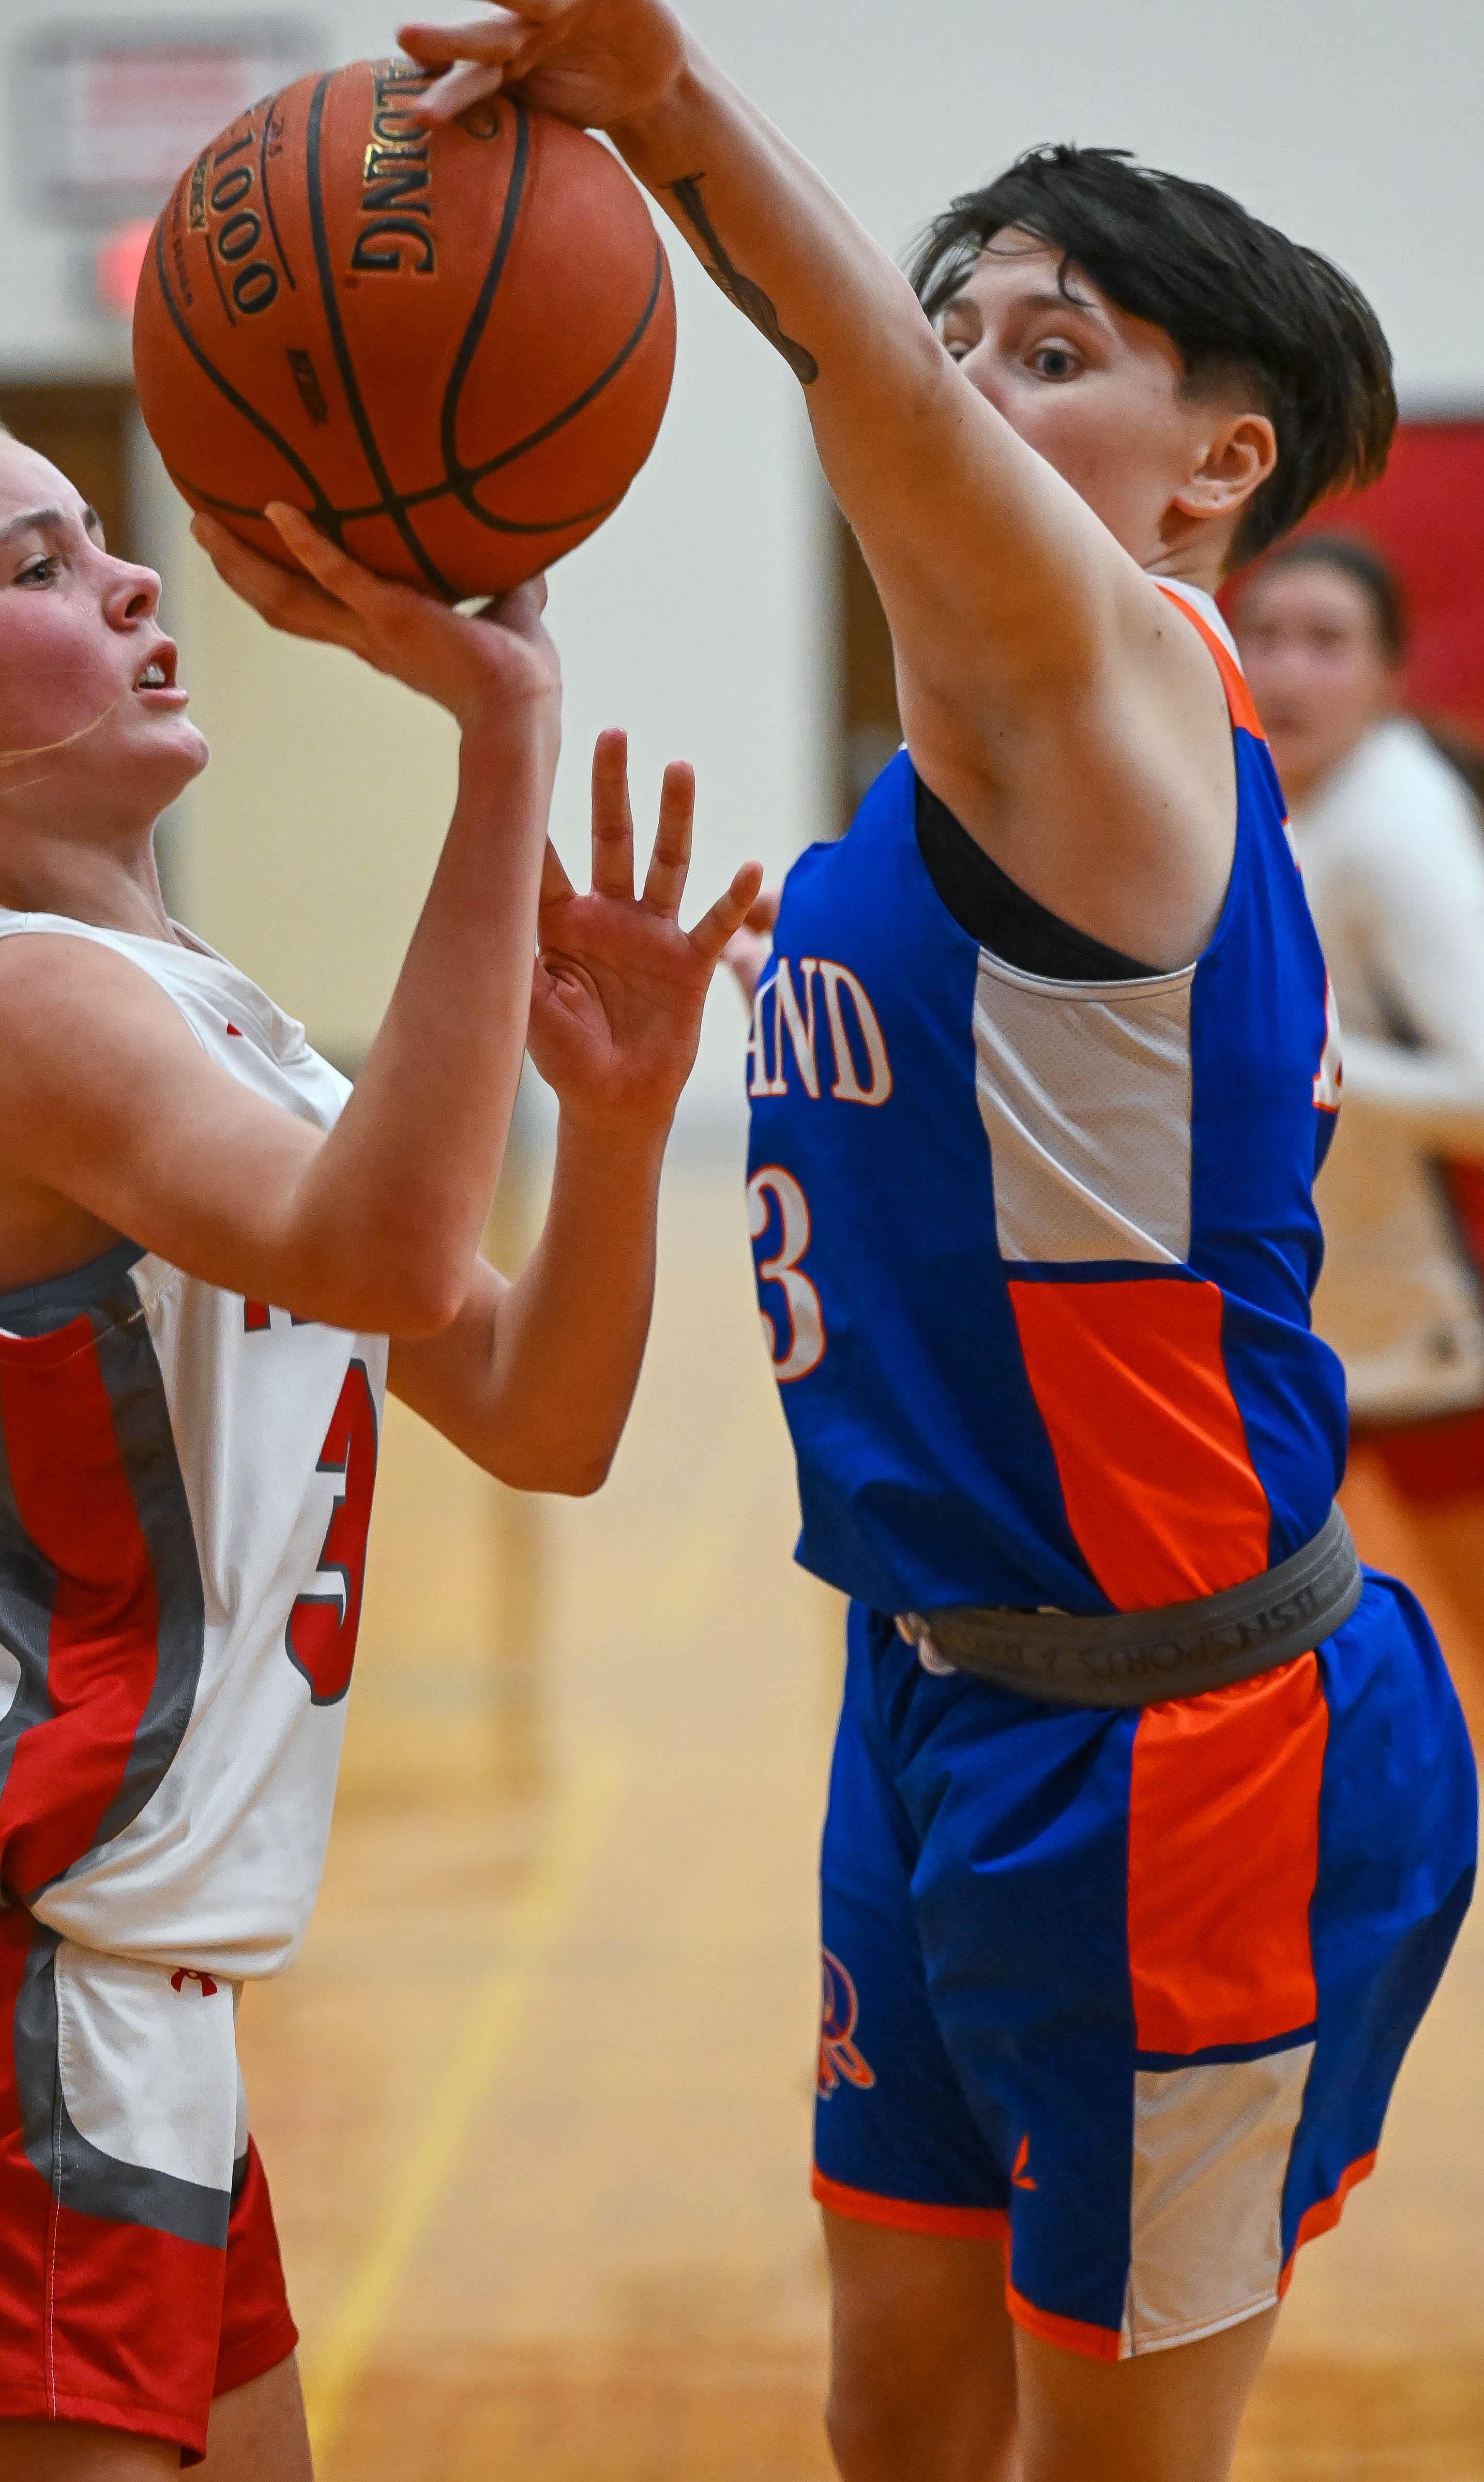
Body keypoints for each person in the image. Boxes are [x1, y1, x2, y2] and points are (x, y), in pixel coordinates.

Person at [396, 11, 1477, 2480]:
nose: (970, 377)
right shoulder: (937, 787)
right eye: (958, 327)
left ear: (1220, 470)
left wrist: (664, 107)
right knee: (889, 2412)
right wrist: (627, 1103)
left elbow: (858, 385)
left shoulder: (1122, 691)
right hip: (925, 1700)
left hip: (1177, 1752)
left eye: (1051, 348)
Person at [0, 395, 759, 2479]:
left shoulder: (198, 1011)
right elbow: (385, 1256)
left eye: (91, 537)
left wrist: (606, 1127)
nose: (132, 579)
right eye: (38, 564)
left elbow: (537, 1414)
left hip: (131, 2011)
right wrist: (501, 737)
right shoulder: (12, 1011)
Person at [1235, 537, 1484, 1658]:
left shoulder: (1395, 829)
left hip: (1438, 1332)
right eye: (1264, 637)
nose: (1286, 670)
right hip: (1334, 1326)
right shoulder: (1279, 805)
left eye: (1325, 644)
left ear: (1388, 675)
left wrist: (1302, 1050)